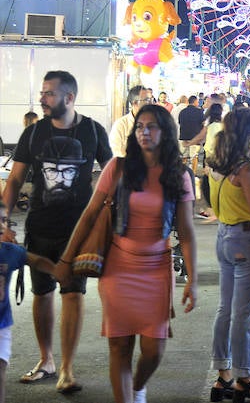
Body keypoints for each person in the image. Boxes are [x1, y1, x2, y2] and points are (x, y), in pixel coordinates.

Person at [55, 103, 198, 403]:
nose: (144, 132)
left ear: (166, 132)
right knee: (119, 347)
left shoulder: (178, 175)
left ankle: (137, 386)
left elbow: (186, 231)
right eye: (140, 127)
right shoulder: (118, 167)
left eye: (152, 126)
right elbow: (90, 214)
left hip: (157, 270)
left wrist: (192, 279)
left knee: (153, 349)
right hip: (118, 268)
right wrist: (67, 259)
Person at [1, 70, 113, 394]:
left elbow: (111, 174)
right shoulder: (34, 133)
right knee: (42, 294)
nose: (42, 98)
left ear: (69, 97)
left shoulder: (92, 131)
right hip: (39, 225)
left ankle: (67, 368)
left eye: (49, 93)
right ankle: (46, 360)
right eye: (43, 92)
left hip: (78, 230)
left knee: (73, 292)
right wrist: (3, 221)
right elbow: (15, 181)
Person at [208, 108, 250, 403]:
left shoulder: (219, 164)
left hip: (226, 235)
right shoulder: (246, 169)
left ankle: (223, 374)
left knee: (227, 309)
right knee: (246, 314)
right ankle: (246, 379)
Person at [0, 203, 56, 403]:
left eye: (5, 220)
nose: (2, 224)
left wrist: (58, 271)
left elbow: (37, 261)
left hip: (1, 326)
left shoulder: (9, 252)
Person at [110, 86, 153, 158]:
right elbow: (116, 153)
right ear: (135, 103)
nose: (150, 103)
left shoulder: (156, 124)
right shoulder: (121, 125)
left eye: (151, 100)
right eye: (147, 100)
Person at [178, 95, 204, 173]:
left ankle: (182, 172)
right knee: (194, 156)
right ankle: (193, 173)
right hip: (195, 138)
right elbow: (203, 123)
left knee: (184, 156)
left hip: (183, 136)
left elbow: (180, 122)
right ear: (195, 102)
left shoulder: (182, 112)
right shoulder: (199, 112)